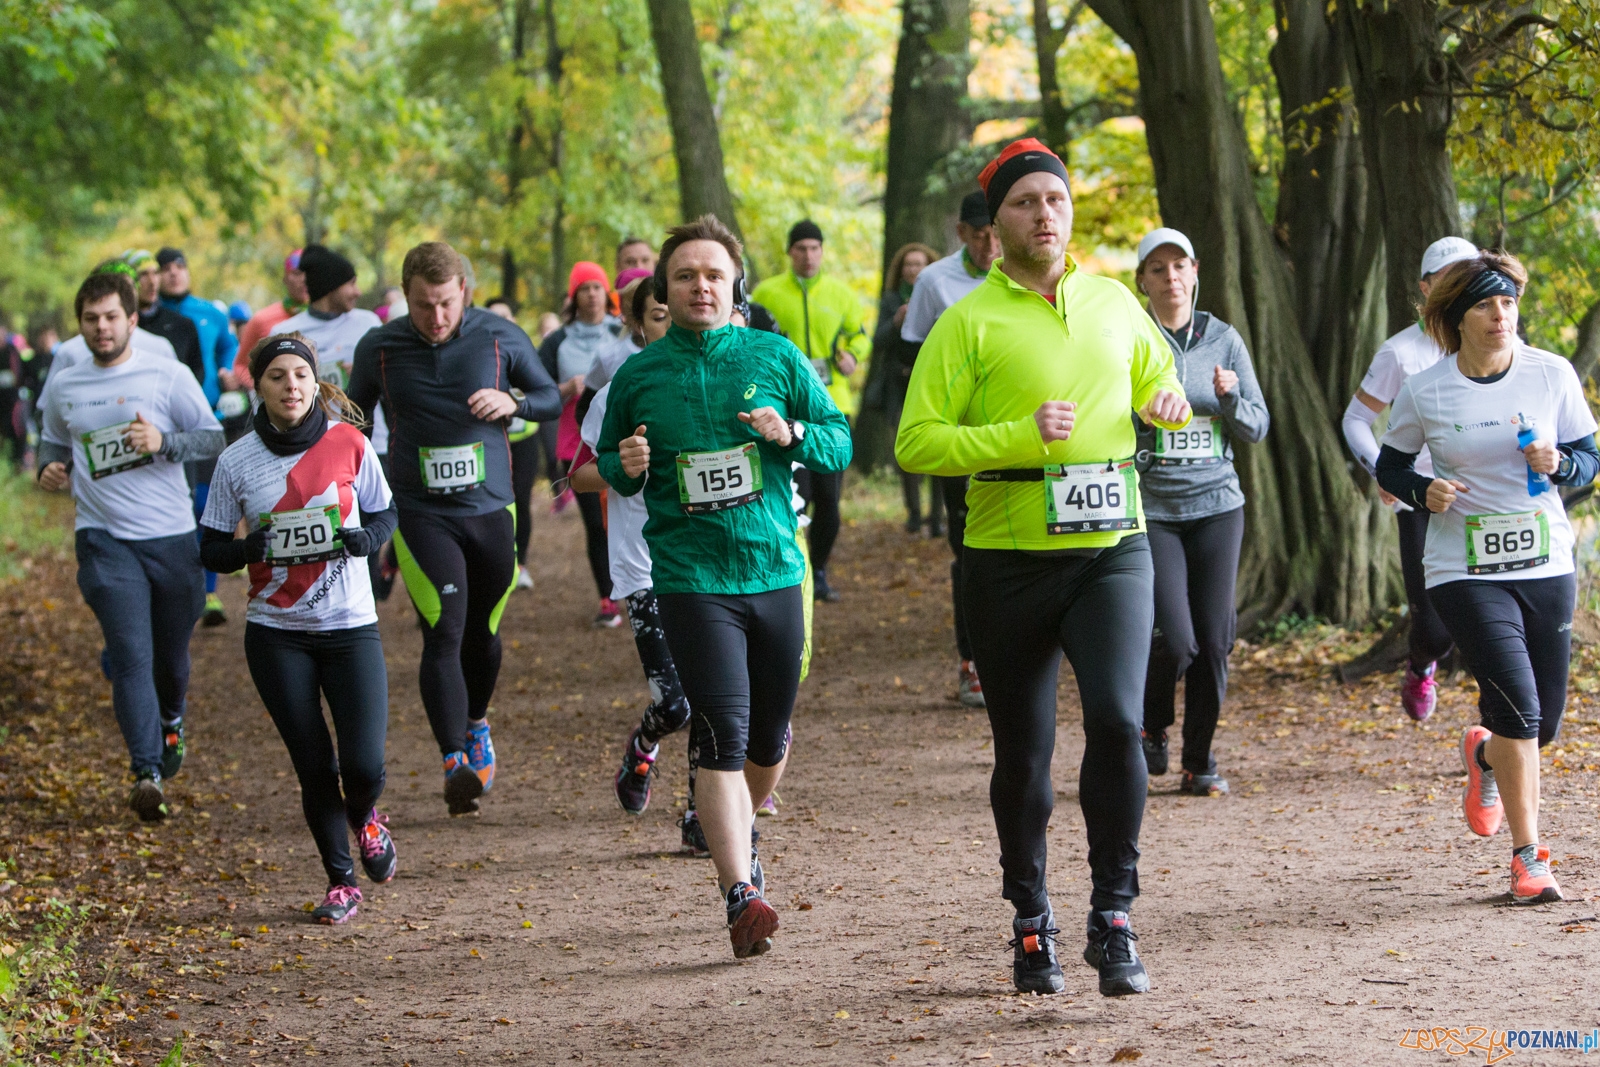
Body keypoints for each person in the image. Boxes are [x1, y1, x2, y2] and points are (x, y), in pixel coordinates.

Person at [897, 139, 1190, 997]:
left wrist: (1164, 404)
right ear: (996, 224)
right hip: (1006, 559)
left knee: (1116, 719)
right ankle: (1031, 920)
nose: (1044, 215)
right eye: (1025, 203)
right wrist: (1018, 436)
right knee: (1024, 752)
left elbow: (1154, 379)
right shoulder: (966, 321)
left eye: (1055, 201)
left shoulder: (1111, 301)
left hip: (1111, 550)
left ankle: (1114, 915)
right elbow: (917, 442)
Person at [598, 214, 851, 958]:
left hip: (773, 571)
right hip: (690, 576)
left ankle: (745, 817)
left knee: (765, 743)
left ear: (734, 283)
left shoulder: (775, 355)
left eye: (713, 274)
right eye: (685, 275)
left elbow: (838, 438)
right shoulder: (639, 374)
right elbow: (608, 461)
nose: (700, 285)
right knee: (719, 733)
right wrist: (629, 461)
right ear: (664, 292)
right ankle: (740, 891)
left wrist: (792, 434)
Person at [1376, 250, 1596, 904]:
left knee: (1541, 723)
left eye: (1507, 303)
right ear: (1456, 317)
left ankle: (1483, 755)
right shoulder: (1427, 390)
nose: (1500, 315)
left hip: (1546, 561)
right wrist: (1423, 491)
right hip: (1462, 568)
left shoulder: (1550, 373)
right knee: (1521, 711)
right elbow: (1391, 467)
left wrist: (1559, 464)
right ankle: (1529, 859)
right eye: (1483, 305)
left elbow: (1589, 459)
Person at [347, 241, 561, 816]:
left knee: (483, 636)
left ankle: (475, 724)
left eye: (444, 303)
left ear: (464, 290)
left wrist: (511, 401)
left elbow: (549, 399)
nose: (436, 318)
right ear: (406, 299)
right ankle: (453, 762)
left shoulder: (499, 336)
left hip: (492, 511)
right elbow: (354, 421)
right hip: (421, 513)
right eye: (422, 306)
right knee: (443, 630)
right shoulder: (381, 347)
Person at [200, 334, 398, 923]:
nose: (291, 386)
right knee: (315, 765)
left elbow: (386, 510)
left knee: (364, 765)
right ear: (258, 387)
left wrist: (371, 538)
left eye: (300, 376)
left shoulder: (350, 443)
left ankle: (364, 817)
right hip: (276, 632)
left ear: (317, 383)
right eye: (277, 377)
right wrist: (245, 549)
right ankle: (341, 881)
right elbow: (209, 546)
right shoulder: (236, 461)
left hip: (350, 627)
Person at [36, 270, 224, 821]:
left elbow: (212, 437)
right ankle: (145, 771)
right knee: (129, 654)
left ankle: (171, 721)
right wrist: (50, 468)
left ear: (131, 320)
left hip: (170, 538)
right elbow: (53, 441)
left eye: (111, 317)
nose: (101, 328)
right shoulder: (66, 384)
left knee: (171, 659)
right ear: (81, 325)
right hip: (103, 539)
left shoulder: (165, 375)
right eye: (91, 319)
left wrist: (164, 442)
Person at [1131, 228, 1270, 797]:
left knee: (1215, 640)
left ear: (1194, 274)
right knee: (1175, 639)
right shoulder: (1131, 339)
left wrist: (1232, 397)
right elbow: (1109, 420)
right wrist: (1143, 415)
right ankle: (1151, 724)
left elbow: (1257, 426)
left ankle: (1199, 759)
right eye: (1157, 269)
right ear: (1141, 280)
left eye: (1178, 267)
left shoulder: (1224, 339)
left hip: (1218, 506)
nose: (1169, 278)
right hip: (1155, 507)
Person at [1343, 236, 1481, 721]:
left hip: (1486, 497)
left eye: (1467, 278)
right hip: (1421, 499)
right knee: (1436, 627)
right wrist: (1383, 470)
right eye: (1446, 280)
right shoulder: (1400, 353)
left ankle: (1504, 720)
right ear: (1424, 289)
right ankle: (1421, 664)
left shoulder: (1493, 339)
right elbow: (1355, 420)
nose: (1458, 290)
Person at [569, 280, 691, 820]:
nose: (674, 323)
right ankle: (643, 746)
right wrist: (623, 467)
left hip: (709, 562)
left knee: (714, 704)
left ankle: (699, 819)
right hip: (645, 566)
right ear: (641, 325)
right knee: (676, 704)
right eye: (660, 315)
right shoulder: (620, 388)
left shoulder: (726, 380)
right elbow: (580, 478)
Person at [900, 190, 1003, 709]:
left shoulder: (1025, 277)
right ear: (961, 233)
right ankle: (973, 661)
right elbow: (917, 354)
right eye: (980, 233)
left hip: (1020, 432)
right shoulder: (935, 281)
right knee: (968, 548)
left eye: (996, 232)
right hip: (959, 439)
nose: (991, 244)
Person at [751, 220, 871, 604]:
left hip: (832, 407)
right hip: (781, 412)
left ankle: (818, 568)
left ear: (822, 252)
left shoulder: (841, 294)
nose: (808, 255)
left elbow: (860, 335)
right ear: (790, 252)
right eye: (801, 248)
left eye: (815, 248)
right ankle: (792, 570)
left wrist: (853, 355)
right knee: (794, 496)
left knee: (830, 505)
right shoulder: (767, 292)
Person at [156, 247, 241, 626]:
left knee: (206, 506)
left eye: (179, 266)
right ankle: (175, 589)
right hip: (160, 428)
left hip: (207, 420)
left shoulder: (210, 313)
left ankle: (208, 594)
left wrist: (227, 370)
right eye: (165, 269)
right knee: (174, 511)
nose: (173, 274)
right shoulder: (146, 318)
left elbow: (229, 346)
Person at [538, 262, 621, 626]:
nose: (591, 293)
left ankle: (640, 588)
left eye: (597, 287)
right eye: (583, 288)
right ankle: (607, 597)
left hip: (621, 437)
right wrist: (566, 389)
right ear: (574, 295)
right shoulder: (557, 341)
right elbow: (536, 394)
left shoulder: (623, 333)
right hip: (577, 442)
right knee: (596, 523)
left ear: (607, 293)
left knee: (628, 517)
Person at [876, 242, 938, 534]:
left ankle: (938, 517)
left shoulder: (939, 295)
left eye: (919, 264)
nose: (913, 270)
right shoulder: (890, 300)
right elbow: (878, 341)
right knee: (907, 449)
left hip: (935, 384)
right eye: (908, 265)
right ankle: (914, 513)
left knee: (939, 447)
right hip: (899, 384)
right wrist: (896, 321)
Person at [269, 246, 382, 390]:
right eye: (352, 283)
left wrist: (368, 375)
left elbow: (394, 375)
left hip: (363, 413)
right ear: (330, 287)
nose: (358, 292)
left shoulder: (368, 323)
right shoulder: (284, 334)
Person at [122, 251, 205, 385]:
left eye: (156, 273)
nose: (152, 281)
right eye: (143, 274)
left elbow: (197, 372)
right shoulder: (117, 327)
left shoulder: (182, 324)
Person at [235, 250, 309, 379]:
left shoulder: (333, 316)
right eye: (297, 273)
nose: (303, 279)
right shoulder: (261, 319)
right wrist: (263, 388)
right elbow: (240, 366)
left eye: (309, 273)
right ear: (285, 278)